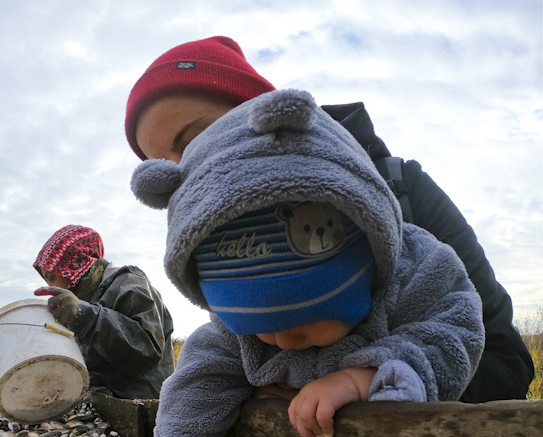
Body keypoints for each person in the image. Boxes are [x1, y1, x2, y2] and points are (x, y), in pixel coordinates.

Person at [130, 88, 486, 437]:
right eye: (258, 326)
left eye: (308, 317)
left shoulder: (412, 273)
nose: (283, 339)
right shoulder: (232, 331)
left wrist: (364, 376)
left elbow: (455, 330)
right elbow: (199, 378)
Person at [124, 35, 533, 403]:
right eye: (167, 170)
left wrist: (370, 383)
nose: (192, 175)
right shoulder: (223, 257)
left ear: (263, 112)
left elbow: (506, 363)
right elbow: (222, 366)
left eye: (196, 140)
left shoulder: (403, 190)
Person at [33, 224, 174, 399]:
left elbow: (147, 347)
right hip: (107, 406)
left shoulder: (128, 283)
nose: (50, 286)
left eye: (52, 277)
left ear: (74, 268)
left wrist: (85, 317)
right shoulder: (83, 303)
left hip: (145, 410)